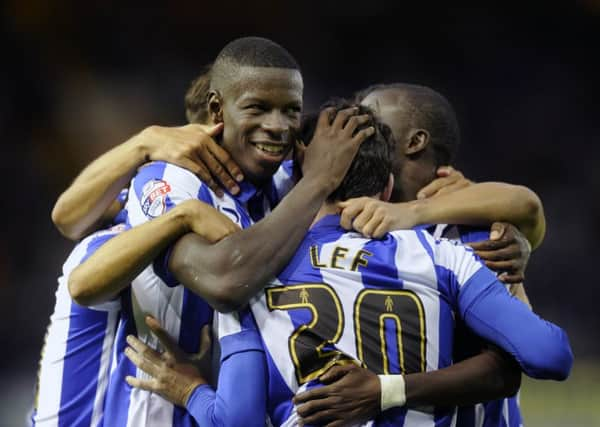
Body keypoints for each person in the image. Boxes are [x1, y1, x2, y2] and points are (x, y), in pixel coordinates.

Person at [121, 101, 572, 427]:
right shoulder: (443, 253)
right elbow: (549, 355)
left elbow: (235, 419)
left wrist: (190, 390)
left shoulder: (254, 269)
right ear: (389, 185)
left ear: (300, 179)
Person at [71, 36, 373, 427]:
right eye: (258, 108)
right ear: (218, 111)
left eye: (291, 111)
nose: (277, 126)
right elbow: (226, 280)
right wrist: (317, 181)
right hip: (135, 411)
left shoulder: (283, 187)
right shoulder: (174, 180)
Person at [31, 201, 237, 427]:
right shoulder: (117, 242)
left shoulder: (110, 220)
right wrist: (186, 214)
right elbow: (80, 283)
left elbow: (65, 217)